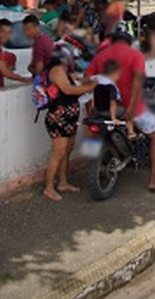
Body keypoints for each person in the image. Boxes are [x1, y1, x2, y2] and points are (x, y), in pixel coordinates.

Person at [85, 28, 155, 192]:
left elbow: (88, 82)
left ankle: (93, 164)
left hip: (103, 109)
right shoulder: (135, 55)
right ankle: (154, 181)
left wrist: (89, 107)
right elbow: (138, 83)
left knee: (92, 134)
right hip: (130, 108)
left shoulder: (99, 56)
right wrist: (131, 108)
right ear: (129, 42)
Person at [42, 46, 97, 201]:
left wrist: (86, 82)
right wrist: (89, 87)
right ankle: (49, 188)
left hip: (69, 116)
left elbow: (76, 83)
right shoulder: (57, 71)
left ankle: (63, 182)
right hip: (59, 116)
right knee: (59, 152)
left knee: (67, 150)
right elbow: (67, 90)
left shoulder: (64, 71)